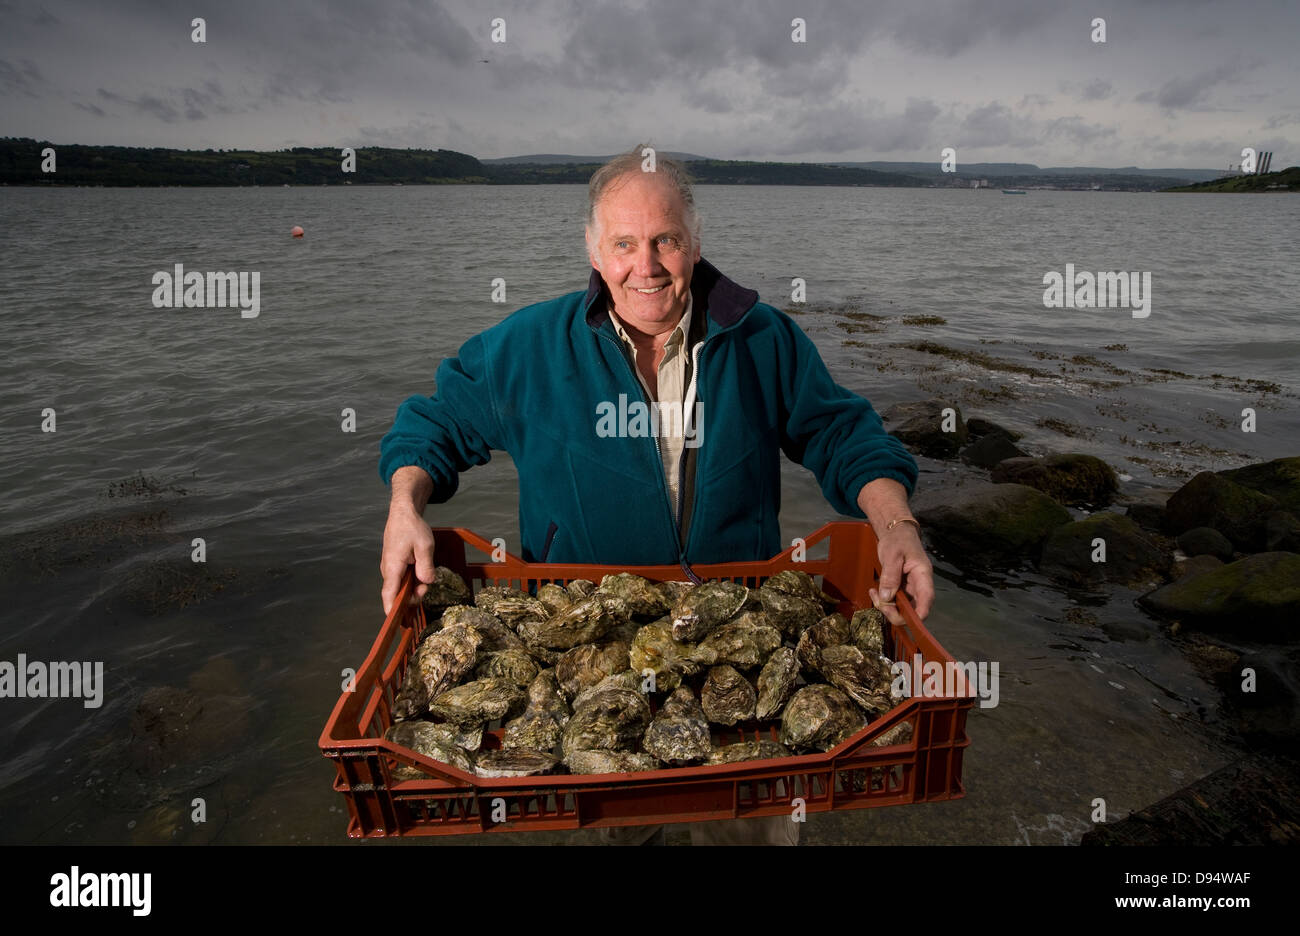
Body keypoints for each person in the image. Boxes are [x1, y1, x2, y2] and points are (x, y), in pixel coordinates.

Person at [378, 143, 934, 845]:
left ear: (695, 242)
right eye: (624, 244)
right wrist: (405, 508)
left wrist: (896, 524)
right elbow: (432, 423)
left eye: (665, 240)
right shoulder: (530, 348)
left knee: (754, 831)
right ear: (592, 248)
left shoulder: (760, 339)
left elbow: (842, 432)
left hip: (736, 642)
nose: (646, 265)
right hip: (588, 649)